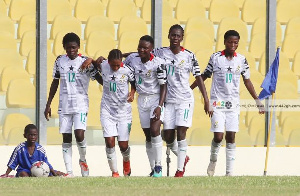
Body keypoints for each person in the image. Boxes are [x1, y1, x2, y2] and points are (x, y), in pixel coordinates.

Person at [191, 30, 265, 176]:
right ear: (224, 42)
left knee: (231, 136)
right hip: (217, 103)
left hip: (233, 105)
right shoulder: (216, 58)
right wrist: (190, 89)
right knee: (218, 137)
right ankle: (213, 161)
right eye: (230, 42)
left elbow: (247, 81)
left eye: (235, 42)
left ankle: (229, 172)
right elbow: (205, 75)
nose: (233, 45)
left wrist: (257, 101)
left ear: (238, 43)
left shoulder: (242, 60)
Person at [152, 24, 212, 177]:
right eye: (173, 35)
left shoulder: (189, 56)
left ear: (182, 38)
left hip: (184, 99)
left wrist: (206, 100)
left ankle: (179, 171)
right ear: (169, 36)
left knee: (181, 132)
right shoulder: (160, 53)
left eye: (178, 36)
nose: (175, 38)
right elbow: (142, 53)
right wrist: (122, 54)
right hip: (169, 101)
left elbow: (199, 78)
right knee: (168, 136)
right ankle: (183, 157)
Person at [44, 32, 101, 177]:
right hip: (64, 105)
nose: (71, 51)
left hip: (80, 104)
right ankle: (69, 172)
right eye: (68, 48)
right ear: (64, 47)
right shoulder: (59, 61)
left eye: (74, 48)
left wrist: (93, 61)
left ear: (78, 47)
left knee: (79, 134)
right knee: (66, 137)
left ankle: (82, 160)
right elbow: (55, 82)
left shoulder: (84, 62)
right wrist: (48, 103)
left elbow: (100, 79)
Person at [81, 49, 136, 177]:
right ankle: (115, 172)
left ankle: (126, 161)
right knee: (109, 142)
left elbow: (134, 83)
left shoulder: (127, 70)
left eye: (118, 65)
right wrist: (91, 60)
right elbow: (94, 63)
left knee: (123, 145)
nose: (116, 67)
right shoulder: (104, 65)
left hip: (123, 111)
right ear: (108, 61)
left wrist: (132, 93)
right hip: (107, 110)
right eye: (113, 65)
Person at [123, 35, 167, 177]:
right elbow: (122, 60)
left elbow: (164, 86)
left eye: (145, 48)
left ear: (151, 50)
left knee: (155, 131)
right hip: (142, 100)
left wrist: (160, 106)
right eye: (140, 47)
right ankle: (153, 168)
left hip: (155, 99)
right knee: (148, 136)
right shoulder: (132, 60)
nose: (141, 50)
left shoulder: (158, 63)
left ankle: (159, 165)